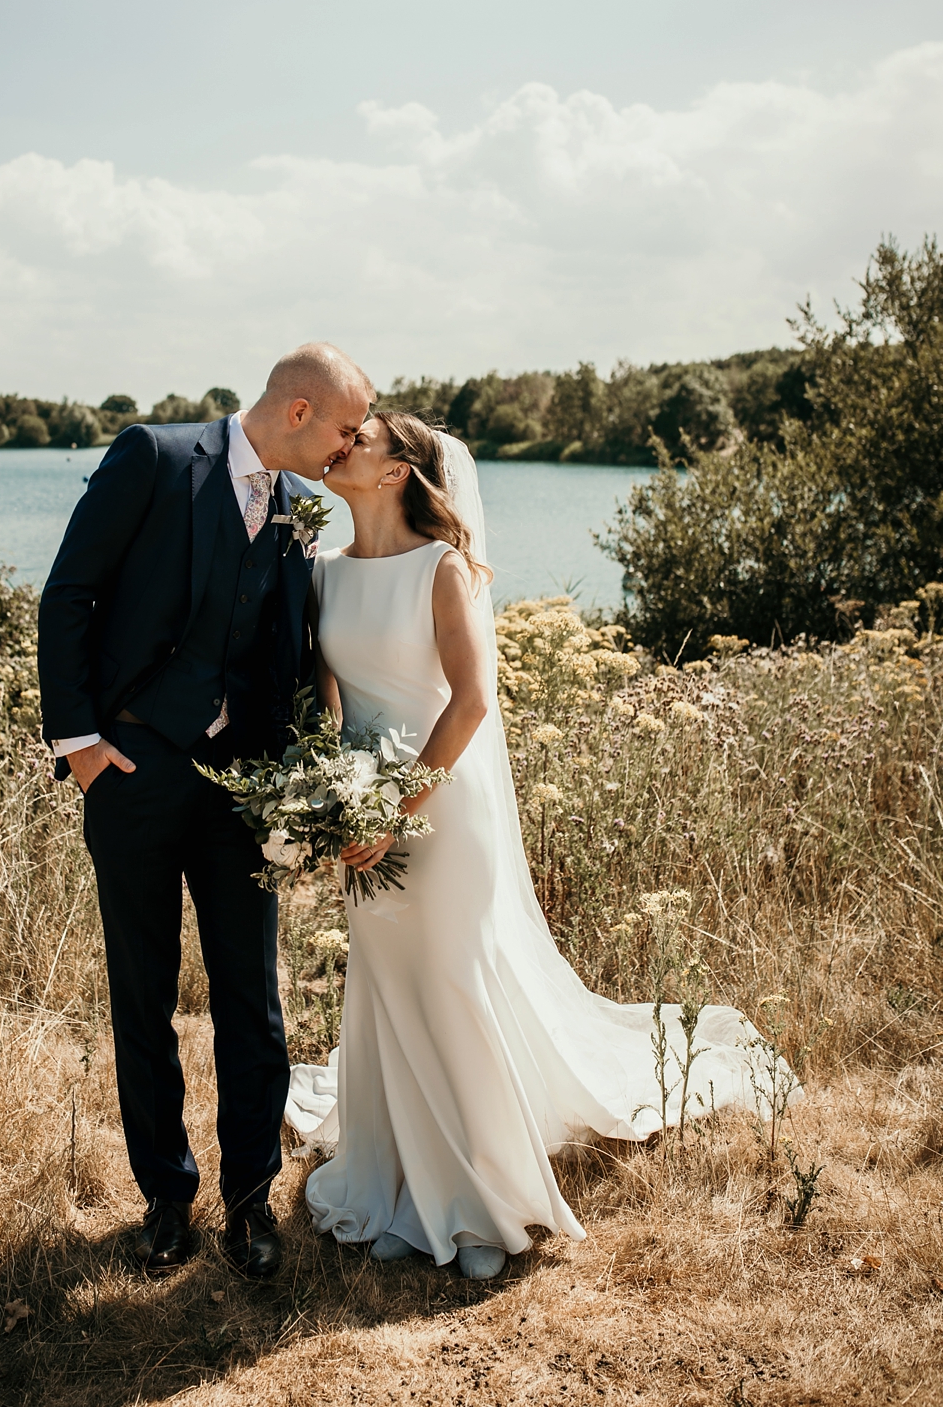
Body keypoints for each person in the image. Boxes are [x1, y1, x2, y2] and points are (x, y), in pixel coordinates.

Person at [290, 412, 793, 1279]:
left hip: (442, 808)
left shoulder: (443, 571)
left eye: (360, 438)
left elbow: (472, 701)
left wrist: (395, 806)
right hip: (362, 811)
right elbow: (333, 701)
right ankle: (396, 1165)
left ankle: (487, 1202)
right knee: (385, 981)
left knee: (451, 978)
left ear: (398, 472)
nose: (340, 444)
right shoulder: (323, 573)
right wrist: (337, 798)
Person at [38, 343, 373, 1280]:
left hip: (245, 792)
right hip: (133, 773)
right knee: (142, 996)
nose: (349, 449)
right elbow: (69, 592)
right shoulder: (152, 455)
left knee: (252, 1002)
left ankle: (249, 1202)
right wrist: (84, 747)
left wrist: (305, 779)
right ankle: (163, 1201)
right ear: (299, 412)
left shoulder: (300, 510)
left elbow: (292, 651)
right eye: (345, 429)